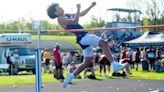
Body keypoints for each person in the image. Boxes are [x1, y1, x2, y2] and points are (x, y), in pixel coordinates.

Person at [47, 2, 129, 88]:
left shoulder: (66, 15)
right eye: (58, 8)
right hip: (83, 37)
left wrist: (90, 6)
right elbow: (75, 21)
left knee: (87, 62)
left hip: (83, 38)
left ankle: (70, 76)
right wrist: (78, 8)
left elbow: (81, 14)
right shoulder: (60, 19)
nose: (61, 8)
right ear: (56, 13)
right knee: (104, 43)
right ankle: (114, 64)